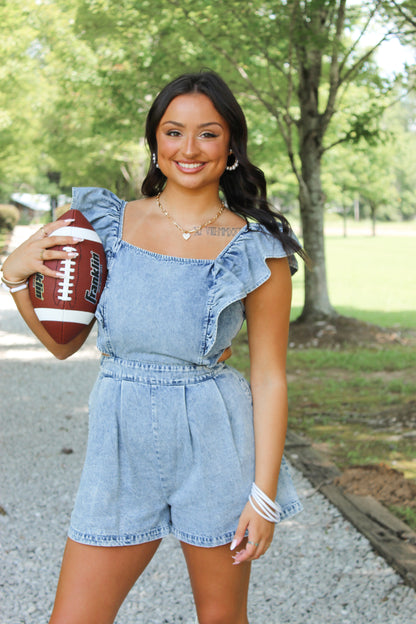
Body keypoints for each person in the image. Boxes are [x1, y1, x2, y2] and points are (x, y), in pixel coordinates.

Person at [2, 71, 306, 624]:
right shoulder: (104, 227)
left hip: (216, 440)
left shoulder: (258, 249)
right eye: (174, 132)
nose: (190, 149)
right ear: (155, 142)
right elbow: (63, 346)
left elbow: (268, 377)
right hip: (120, 439)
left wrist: (263, 497)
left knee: (221, 619)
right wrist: (17, 281)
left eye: (208, 134)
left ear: (232, 146)